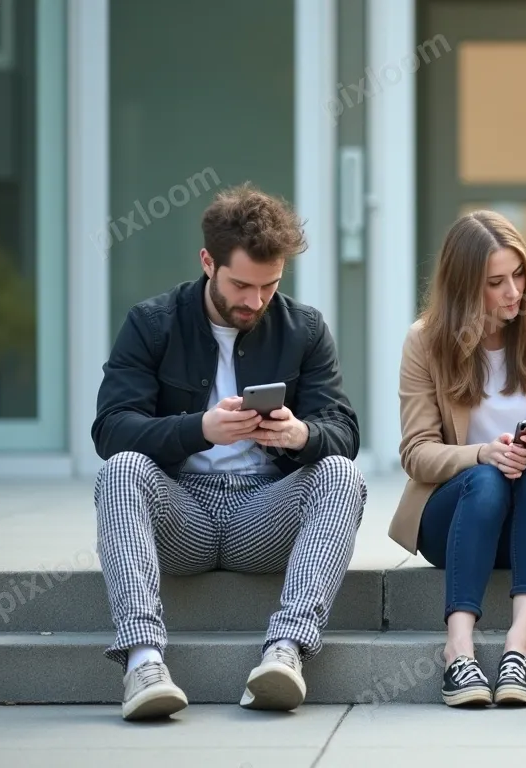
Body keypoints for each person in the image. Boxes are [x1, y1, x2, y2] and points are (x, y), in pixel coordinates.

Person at [91, 183, 367, 721]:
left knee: (339, 473)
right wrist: (200, 430)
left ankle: (285, 652)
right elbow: (111, 431)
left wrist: (301, 437)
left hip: (263, 514)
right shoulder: (152, 322)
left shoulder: (304, 329)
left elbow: (343, 431)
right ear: (207, 262)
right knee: (122, 471)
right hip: (181, 512)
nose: (254, 301)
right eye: (241, 284)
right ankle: (144, 662)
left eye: (269, 286)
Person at [390, 210, 526, 708]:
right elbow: (416, 454)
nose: (513, 292)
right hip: (458, 519)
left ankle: (518, 645)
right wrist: (481, 454)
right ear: (463, 288)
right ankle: (458, 649)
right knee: (486, 479)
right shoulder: (425, 342)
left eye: (518, 275)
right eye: (495, 282)